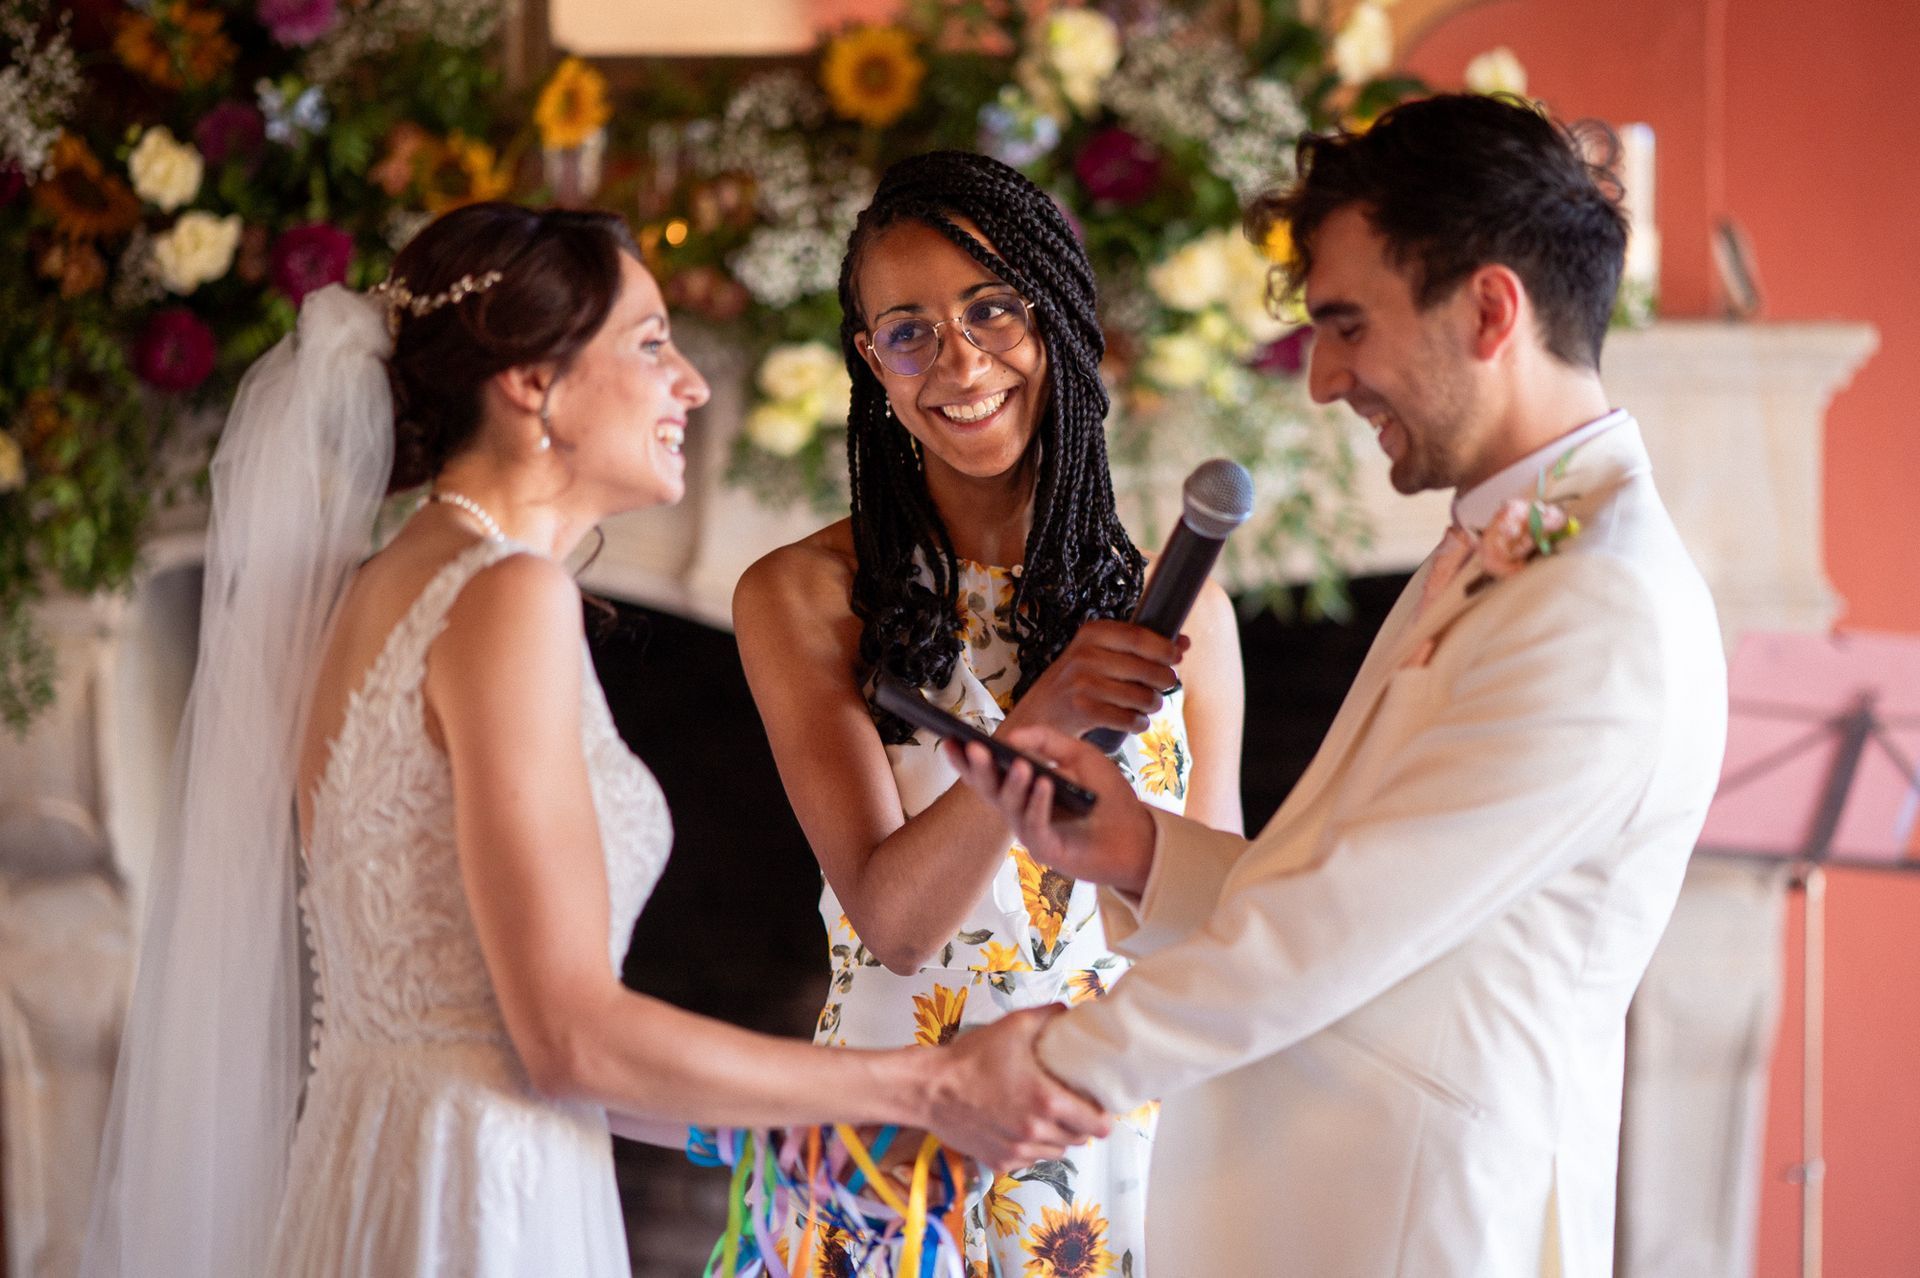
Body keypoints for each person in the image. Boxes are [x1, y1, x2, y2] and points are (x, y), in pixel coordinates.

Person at [80, 203, 1107, 1278]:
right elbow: (565, 1039)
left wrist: (800, 1138)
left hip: (384, 1167)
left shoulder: (387, 590)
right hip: (476, 1202)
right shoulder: (502, 595)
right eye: (653, 342)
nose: (692, 385)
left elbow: (478, 1024)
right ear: (531, 380)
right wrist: (923, 1086)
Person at [951, 95, 1731, 1277]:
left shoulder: (1598, 604)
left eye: (1348, 326)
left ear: (1488, 309)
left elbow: (1336, 927)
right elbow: (1358, 876)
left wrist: (1050, 1071)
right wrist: (1140, 852)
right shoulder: (1497, 543)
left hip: (1415, 1221)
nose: (1322, 381)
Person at [733, 151, 1245, 1273]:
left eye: (994, 310)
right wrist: (1038, 722)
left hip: (1113, 1164)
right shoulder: (802, 596)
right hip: (895, 1164)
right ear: (872, 361)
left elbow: (1215, 934)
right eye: (910, 330)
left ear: (1058, 320)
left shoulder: (1185, 601)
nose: (961, 362)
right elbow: (897, 925)